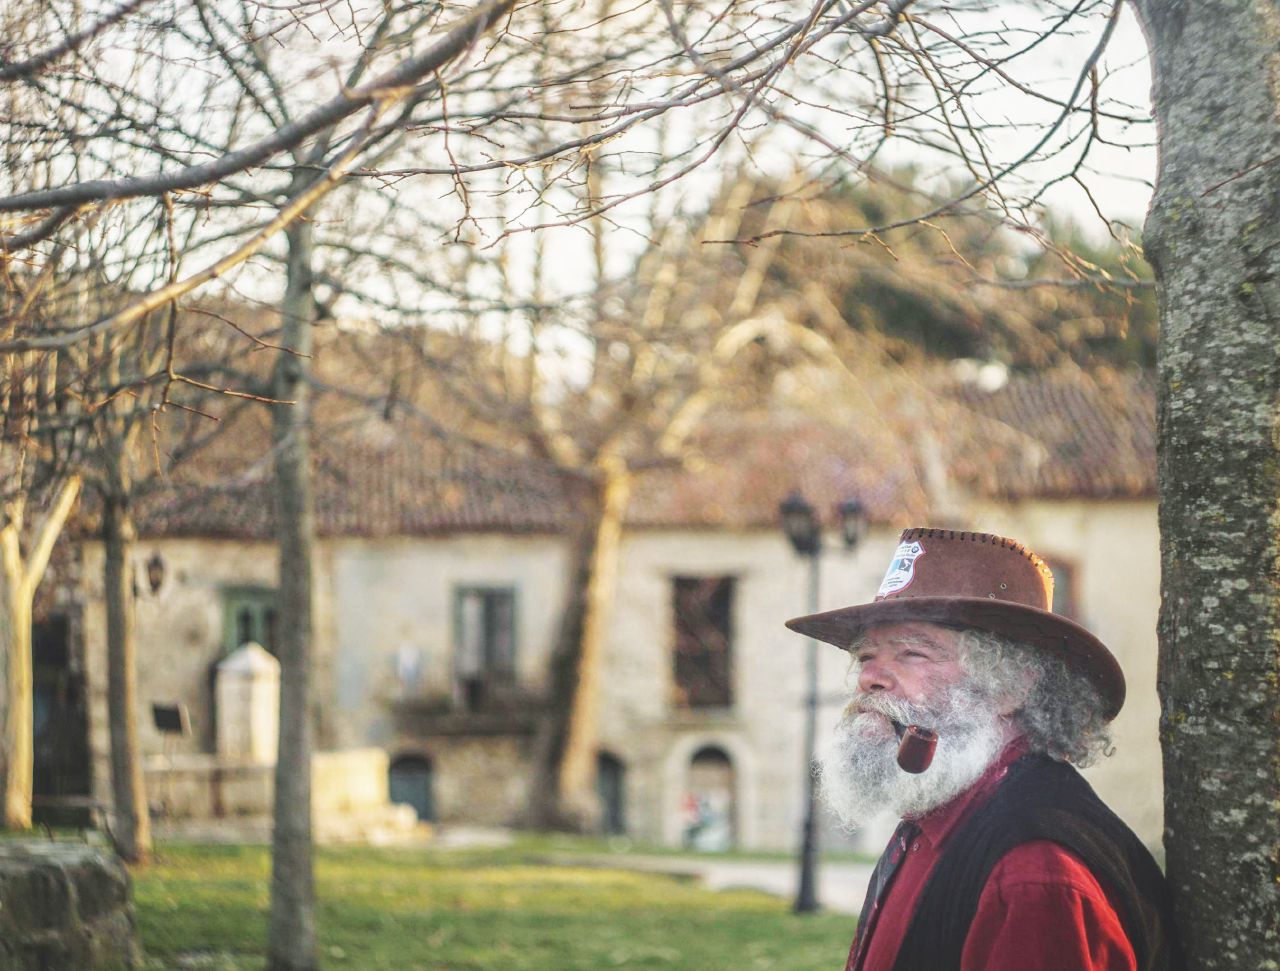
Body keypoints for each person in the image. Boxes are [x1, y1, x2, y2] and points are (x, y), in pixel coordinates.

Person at [785, 527, 1183, 971]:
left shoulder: (1034, 872)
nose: (869, 678)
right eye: (866, 657)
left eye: (913, 653)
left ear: (1011, 686)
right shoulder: (941, 815)